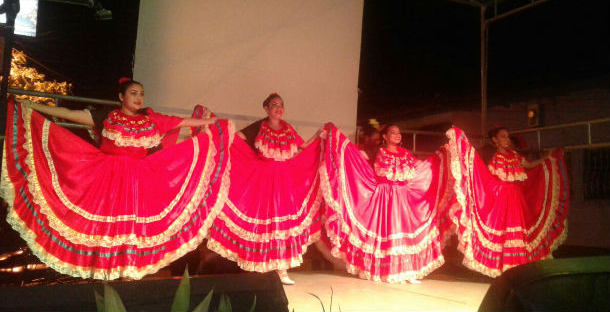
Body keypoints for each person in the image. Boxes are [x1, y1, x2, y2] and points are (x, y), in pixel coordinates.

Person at [1, 78, 229, 280]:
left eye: (141, 94)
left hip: (140, 181)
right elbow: (71, 115)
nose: (138, 98)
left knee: (133, 228)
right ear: (121, 97)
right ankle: (102, 271)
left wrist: (215, 124)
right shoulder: (107, 116)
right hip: (107, 178)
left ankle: (127, 271)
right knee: (103, 227)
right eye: (133, 93)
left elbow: (183, 122)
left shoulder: (152, 119)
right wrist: (34, 105)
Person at [206, 93, 326, 285]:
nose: (278, 108)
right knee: (264, 222)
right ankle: (260, 265)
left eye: (281, 105)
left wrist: (318, 135)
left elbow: (303, 146)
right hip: (263, 181)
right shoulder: (259, 126)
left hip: (284, 183)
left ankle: (282, 269)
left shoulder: (287, 128)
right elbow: (237, 139)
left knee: (282, 225)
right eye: (274, 105)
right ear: (266, 109)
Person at [319, 123, 457, 283]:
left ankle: (408, 272)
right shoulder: (380, 151)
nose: (397, 135)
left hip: (403, 200)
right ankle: (386, 271)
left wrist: (443, 154)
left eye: (399, 133)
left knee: (404, 235)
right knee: (389, 235)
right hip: (385, 199)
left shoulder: (405, 153)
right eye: (393, 133)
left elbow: (421, 166)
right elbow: (363, 162)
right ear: (385, 137)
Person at [445, 126, 569, 277]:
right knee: (505, 233)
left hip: (516, 200)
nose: (507, 140)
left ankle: (518, 267)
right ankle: (506, 268)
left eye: (508, 137)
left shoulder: (515, 156)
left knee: (518, 232)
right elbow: (487, 179)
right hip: (502, 201)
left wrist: (548, 158)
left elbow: (529, 165)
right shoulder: (496, 157)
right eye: (503, 136)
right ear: (495, 140)